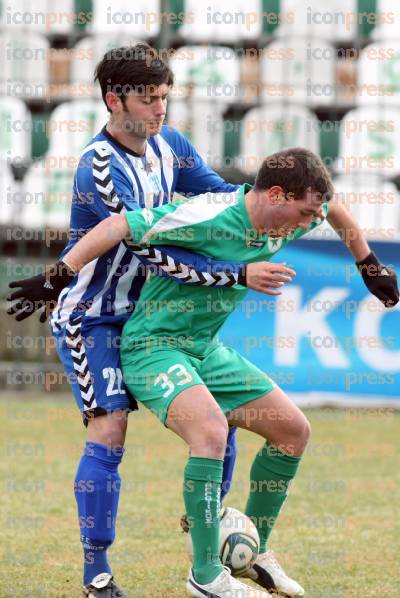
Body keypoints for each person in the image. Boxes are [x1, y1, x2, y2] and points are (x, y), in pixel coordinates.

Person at [41, 147, 399, 597]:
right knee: (210, 433)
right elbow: (118, 225)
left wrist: (367, 264)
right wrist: (59, 273)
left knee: (293, 431)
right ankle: (207, 575)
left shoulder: (303, 208)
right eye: (306, 212)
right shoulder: (207, 214)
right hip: (153, 347)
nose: (311, 222)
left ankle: (254, 550)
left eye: (315, 212)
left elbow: (336, 209)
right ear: (274, 194)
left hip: (204, 350)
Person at [6, 43, 274, 598]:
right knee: (110, 428)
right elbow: (156, 254)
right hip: (95, 320)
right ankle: (96, 573)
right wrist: (237, 276)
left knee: (215, 419)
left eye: (165, 98)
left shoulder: (170, 145)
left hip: (150, 318)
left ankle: (209, 529)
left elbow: (222, 199)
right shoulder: (97, 168)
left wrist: (268, 208)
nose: (160, 109)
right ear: (114, 99)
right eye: (149, 99)